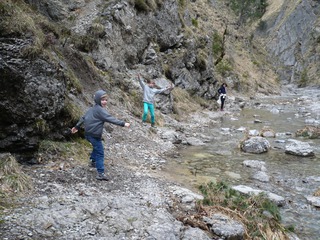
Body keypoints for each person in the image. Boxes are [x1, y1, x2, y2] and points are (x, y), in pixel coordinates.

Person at [71, 90, 130, 181]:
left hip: (88, 134)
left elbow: (83, 117)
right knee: (100, 152)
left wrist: (77, 127)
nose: (105, 102)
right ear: (98, 100)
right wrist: (123, 123)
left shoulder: (92, 108)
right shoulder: (100, 110)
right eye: (102, 100)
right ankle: (100, 173)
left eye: (106, 100)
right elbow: (110, 119)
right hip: (94, 134)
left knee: (96, 147)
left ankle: (93, 161)